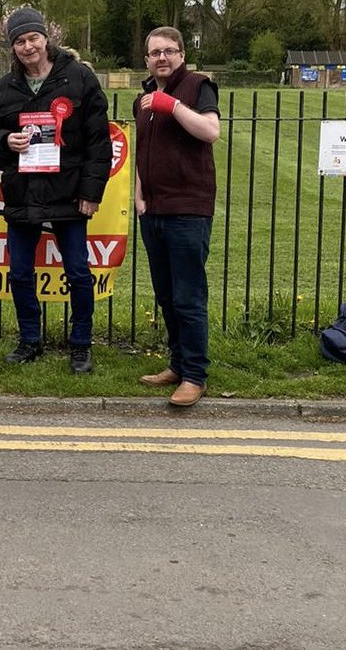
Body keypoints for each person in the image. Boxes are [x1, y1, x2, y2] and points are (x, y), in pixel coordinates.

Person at [0, 8, 111, 374]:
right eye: (19, 41)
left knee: (78, 273)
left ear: (45, 38)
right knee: (20, 272)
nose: (28, 46)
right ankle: (29, 340)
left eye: (33, 38)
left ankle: (81, 345)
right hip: (23, 191)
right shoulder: (7, 87)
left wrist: (92, 191)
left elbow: (99, 141)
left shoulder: (79, 77)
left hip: (68, 190)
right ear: (13, 46)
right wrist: (7, 139)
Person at [133, 26, 220, 407]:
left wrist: (174, 107)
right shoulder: (144, 99)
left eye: (169, 51)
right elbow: (144, 151)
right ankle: (177, 364)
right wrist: (139, 195)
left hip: (187, 210)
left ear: (182, 54)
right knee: (167, 295)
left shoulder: (198, 86)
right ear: (147, 59)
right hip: (153, 211)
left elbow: (211, 131)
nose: (162, 58)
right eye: (155, 53)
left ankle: (195, 375)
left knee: (188, 297)